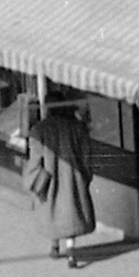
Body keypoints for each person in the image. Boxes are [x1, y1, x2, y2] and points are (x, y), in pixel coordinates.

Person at [24, 105, 96, 267]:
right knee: (71, 212)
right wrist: (85, 177)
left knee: (51, 212)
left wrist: (33, 178)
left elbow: (35, 159)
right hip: (73, 177)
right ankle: (71, 251)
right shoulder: (78, 128)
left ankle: (55, 246)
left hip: (49, 178)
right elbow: (86, 157)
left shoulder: (39, 129)